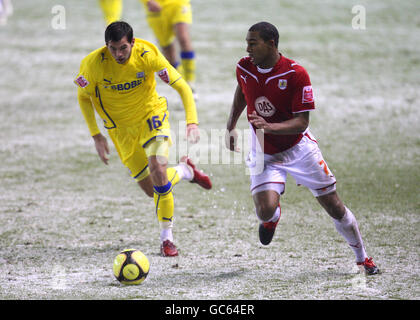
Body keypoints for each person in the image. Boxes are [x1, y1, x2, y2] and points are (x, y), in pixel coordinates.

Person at [225, 21, 379, 275]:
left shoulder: (296, 74)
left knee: (333, 205)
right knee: (264, 211)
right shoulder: (244, 67)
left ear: (271, 44)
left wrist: (269, 127)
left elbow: (302, 122)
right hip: (264, 148)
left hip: (299, 149)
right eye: (247, 43)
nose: (247, 48)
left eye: (253, 43)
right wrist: (231, 125)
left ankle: (363, 257)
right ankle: (273, 217)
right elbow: (243, 90)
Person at [74, 21, 212, 257]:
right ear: (106, 45)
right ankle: (185, 171)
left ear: (133, 43)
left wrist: (192, 121)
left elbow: (182, 86)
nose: (118, 54)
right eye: (113, 48)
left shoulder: (147, 54)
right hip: (120, 131)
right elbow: (83, 97)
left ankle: (167, 238)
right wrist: (96, 135)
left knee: (157, 167)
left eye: (123, 48)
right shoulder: (92, 65)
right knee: (152, 190)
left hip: (152, 117)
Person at [138, 0, 197, 98]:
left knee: (183, 38)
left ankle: (191, 82)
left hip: (178, 4)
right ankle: (183, 85)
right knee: (168, 50)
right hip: (156, 8)